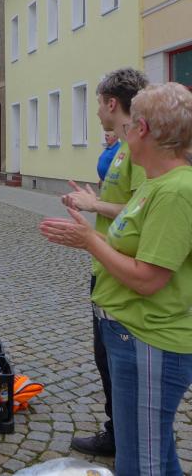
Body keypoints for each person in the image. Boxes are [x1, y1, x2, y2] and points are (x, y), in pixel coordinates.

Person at [40, 82, 192, 476]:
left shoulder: (175, 191)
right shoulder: (156, 183)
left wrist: (90, 240)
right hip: (130, 334)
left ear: (143, 129)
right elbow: (134, 249)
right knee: (157, 456)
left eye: (131, 125)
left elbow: (148, 279)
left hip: (149, 341)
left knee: (140, 464)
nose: (124, 132)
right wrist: (87, 235)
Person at [60, 68, 148, 457]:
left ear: (113, 103)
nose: (96, 111)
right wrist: (92, 202)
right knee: (105, 359)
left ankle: (127, 442)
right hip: (106, 267)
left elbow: (143, 209)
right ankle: (119, 434)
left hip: (122, 272)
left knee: (118, 364)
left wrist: (94, 206)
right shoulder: (123, 148)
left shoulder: (139, 150)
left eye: (98, 103)